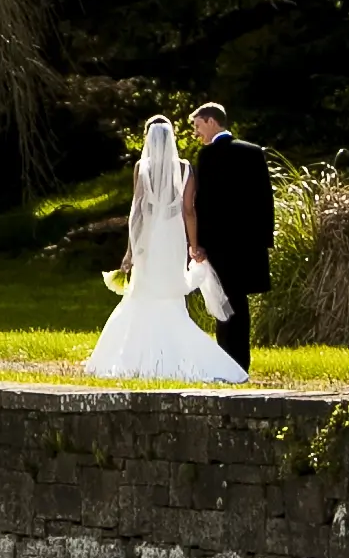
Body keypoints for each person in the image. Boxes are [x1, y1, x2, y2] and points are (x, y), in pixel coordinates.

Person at [84, 116, 247, 383]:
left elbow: (137, 212)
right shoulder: (184, 169)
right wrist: (193, 246)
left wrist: (131, 251)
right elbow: (188, 211)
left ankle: (133, 357)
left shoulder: (142, 167)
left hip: (149, 239)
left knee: (142, 295)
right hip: (171, 239)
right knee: (170, 296)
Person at [186, 102, 274, 370]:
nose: (197, 133)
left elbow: (204, 204)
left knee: (224, 303)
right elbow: (265, 198)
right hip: (249, 244)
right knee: (240, 303)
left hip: (220, 244)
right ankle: (240, 361)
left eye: (198, 126)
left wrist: (198, 243)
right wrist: (264, 239)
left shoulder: (209, 156)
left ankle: (228, 361)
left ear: (212, 122)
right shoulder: (253, 152)